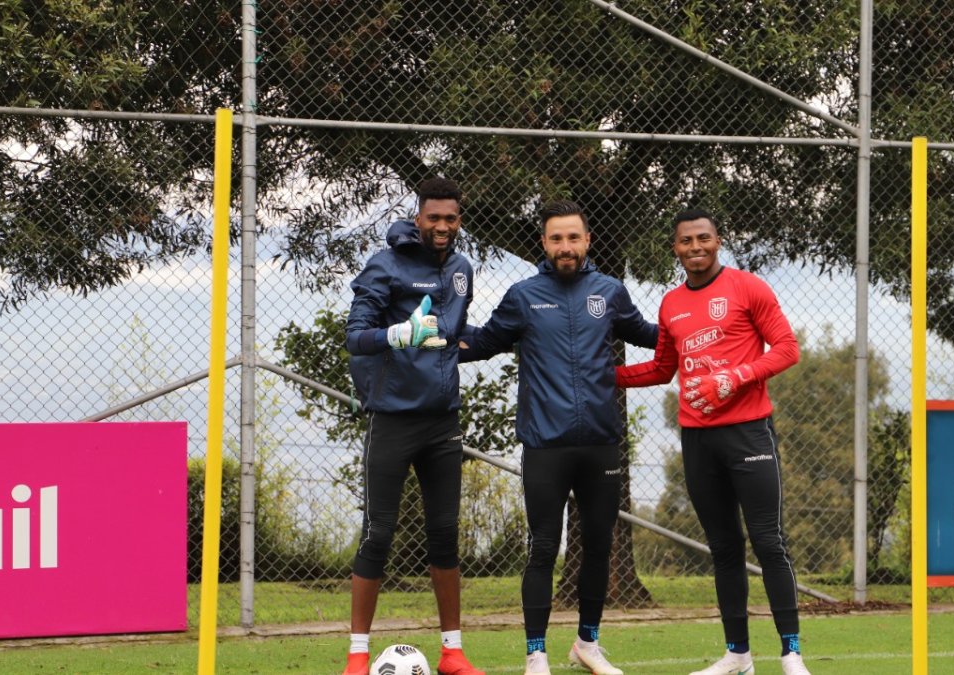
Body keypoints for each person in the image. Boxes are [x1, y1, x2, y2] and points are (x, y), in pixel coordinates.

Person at [459, 200, 657, 675]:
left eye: (573, 237)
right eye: (556, 239)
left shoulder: (610, 292)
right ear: (544, 244)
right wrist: (431, 338)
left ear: (587, 241)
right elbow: (483, 342)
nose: (565, 247)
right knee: (544, 547)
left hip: (601, 445)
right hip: (545, 446)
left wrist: (704, 333)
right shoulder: (523, 296)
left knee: (599, 544)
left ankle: (587, 644)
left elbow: (650, 334)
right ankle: (535, 653)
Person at [616, 209, 810, 675]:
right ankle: (738, 655)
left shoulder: (749, 288)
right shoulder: (671, 303)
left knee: (768, 542)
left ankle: (791, 654)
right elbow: (664, 368)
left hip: (749, 432)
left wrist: (737, 375)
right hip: (698, 440)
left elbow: (786, 348)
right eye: (686, 241)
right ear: (676, 249)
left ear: (718, 241)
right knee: (724, 547)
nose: (696, 247)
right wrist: (605, 378)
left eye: (704, 238)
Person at [342, 177, 484, 675]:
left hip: (442, 421)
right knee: (377, 534)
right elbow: (355, 336)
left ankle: (452, 652)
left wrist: (520, 332)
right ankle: (358, 656)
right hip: (393, 419)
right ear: (418, 217)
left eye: (451, 218)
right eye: (434, 218)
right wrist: (398, 333)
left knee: (445, 535)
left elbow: (455, 335)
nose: (442, 226)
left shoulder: (462, 269)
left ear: (458, 220)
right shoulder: (386, 265)